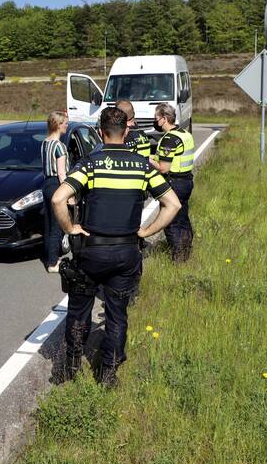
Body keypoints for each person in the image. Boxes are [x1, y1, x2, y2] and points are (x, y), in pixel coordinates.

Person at [51, 107, 180, 387]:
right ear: (126, 132)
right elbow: (173, 204)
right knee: (117, 314)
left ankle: (70, 368)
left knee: (79, 309)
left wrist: (70, 228)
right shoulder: (142, 166)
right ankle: (109, 373)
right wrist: (146, 230)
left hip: (90, 252)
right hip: (126, 252)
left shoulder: (89, 164)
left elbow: (58, 199)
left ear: (100, 132)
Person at [151, 103, 196, 262]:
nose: (155, 121)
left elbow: (163, 168)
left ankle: (178, 258)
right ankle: (187, 251)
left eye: (156, 118)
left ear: (164, 119)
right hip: (187, 181)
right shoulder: (185, 133)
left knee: (171, 222)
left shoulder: (169, 139)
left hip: (174, 184)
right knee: (182, 218)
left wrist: (147, 159)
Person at [41, 111, 69, 273]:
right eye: (64, 123)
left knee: (48, 223)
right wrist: (68, 194)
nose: (66, 125)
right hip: (56, 185)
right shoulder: (59, 146)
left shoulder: (44, 143)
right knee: (57, 224)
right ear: (58, 125)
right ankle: (52, 263)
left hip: (46, 184)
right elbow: (61, 173)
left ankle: (49, 256)